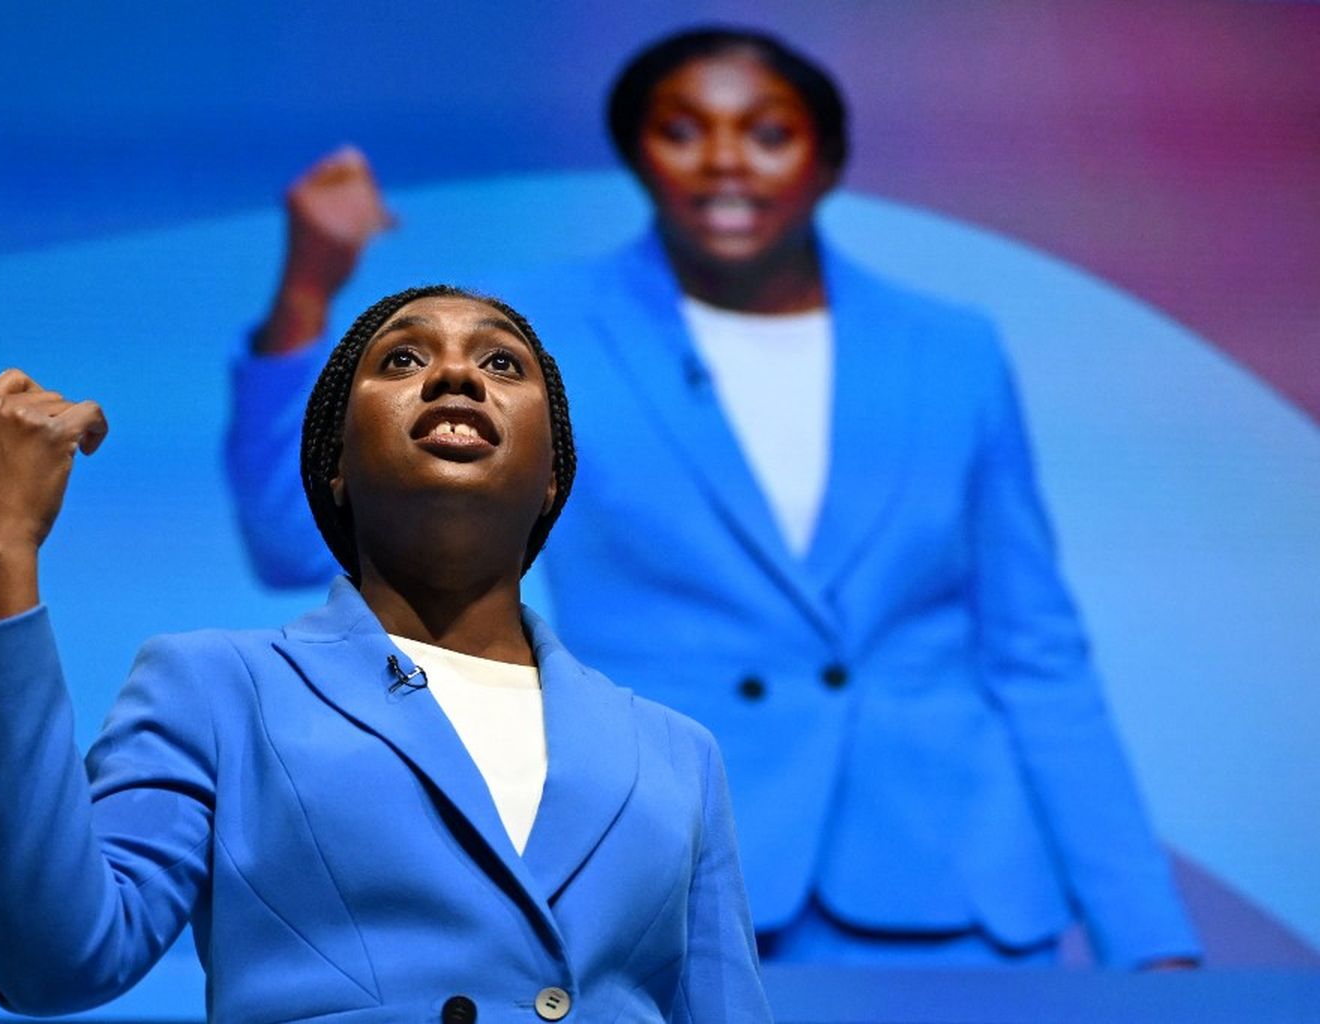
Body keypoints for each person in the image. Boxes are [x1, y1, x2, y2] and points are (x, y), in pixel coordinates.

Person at [225, 28, 1201, 968]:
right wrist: (308, 288)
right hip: (668, 876)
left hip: (956, 898)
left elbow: (1037, 653)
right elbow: (295, 536)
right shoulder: (532, 334)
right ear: (636, 155)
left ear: (829, 159)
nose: (725, 161)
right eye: (683, 129)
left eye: (769, 132)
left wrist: (1147, 935)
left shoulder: (952, 349)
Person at [0, 285, 773, 1022]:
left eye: (502, 364)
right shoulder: (219, 688)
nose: (457, 376)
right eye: (404, 358)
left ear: (553, 475)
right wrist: (1, 546)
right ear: (334, 464)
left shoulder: (676, 754)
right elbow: (52, 959)